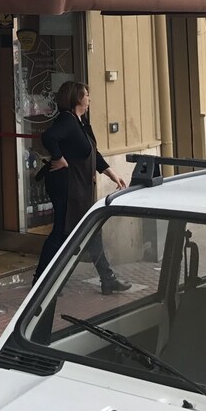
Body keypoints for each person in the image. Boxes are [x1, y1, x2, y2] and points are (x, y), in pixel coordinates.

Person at [35, 80, 132, 293]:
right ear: (77, 98)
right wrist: (58, 158)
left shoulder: (80, 121)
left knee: (90, 229)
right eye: (86, 95)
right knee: (61, 232)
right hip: (67, 187)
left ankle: (107, 278)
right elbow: (48, 137)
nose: (89, 99)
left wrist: (112, 175)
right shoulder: (67, 120)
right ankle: (41, 282)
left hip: (79, 187)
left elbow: (92, 153)